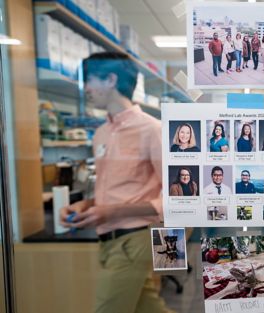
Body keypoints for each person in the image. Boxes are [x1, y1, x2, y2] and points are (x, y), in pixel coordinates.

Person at [59, 52, 173, 313]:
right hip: (108, 240)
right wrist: (86, 205)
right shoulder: (101, 133)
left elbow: (178, 198)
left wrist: (112, 211)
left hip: (136, 239)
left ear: (110, 79)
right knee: (148, 308)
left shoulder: (152, 130)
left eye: (89, 79)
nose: (85, 87)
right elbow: (111, 189)